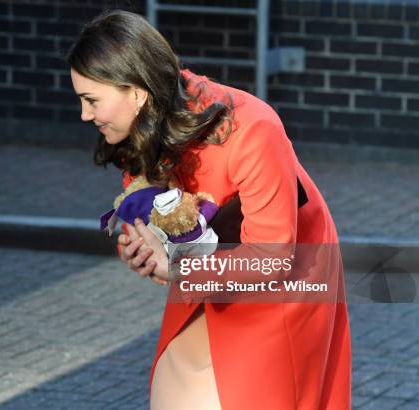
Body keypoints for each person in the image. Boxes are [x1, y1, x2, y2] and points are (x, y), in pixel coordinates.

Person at [68, 10, 351, 410]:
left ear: (135, 91)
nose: (84, 115)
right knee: (176, 392)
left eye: (91, 100)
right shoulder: (141, 124)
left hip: (288, 276)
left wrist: (180, 269)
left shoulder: (252, 128)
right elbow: (145, 213)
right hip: (209, 269)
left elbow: (273, 256)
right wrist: (143, 250)